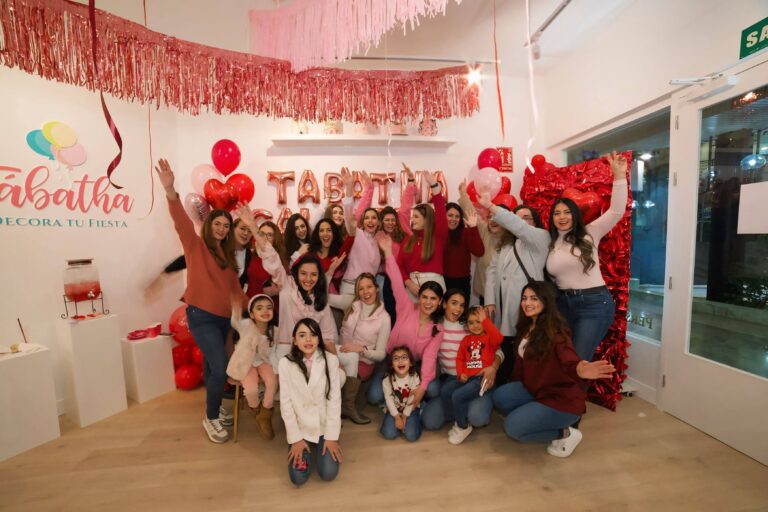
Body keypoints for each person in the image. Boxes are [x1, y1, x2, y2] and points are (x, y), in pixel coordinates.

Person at [155, 158, 247, 444]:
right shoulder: (195, 246)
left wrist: (261, 303)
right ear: (209, 225)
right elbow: (181, 222)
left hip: (221, 321)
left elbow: (237, 295)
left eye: (225, 225)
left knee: (211, 368)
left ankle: (215, 407)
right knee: (220, 368)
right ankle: (210, 418)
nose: (221, 228)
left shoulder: (229, 259)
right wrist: (171, 190)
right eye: (217, 223)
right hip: (201, 317)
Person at [492, 281, 615, 457]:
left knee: (512, 427)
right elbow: (521, 367)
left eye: (534, 298)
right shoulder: (527, 327)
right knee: (501, 397)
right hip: (538, 389)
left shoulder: (556, 332)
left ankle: (566, 433)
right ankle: (535, 415)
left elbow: (568, 359)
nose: (527, 303)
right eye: (524, 298)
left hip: (561, 399)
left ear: (546, 301)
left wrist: (580, 369)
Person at [546, 151, 629, 361]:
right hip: (563, 305)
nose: (562, 217)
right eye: (557, 213)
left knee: (580, 361)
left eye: (566, 212)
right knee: (563, 359)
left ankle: (576, 395)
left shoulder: (590, 233)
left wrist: (619, 176)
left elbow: (617, 211)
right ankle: (565, 395)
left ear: (574, 215)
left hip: (593, 303)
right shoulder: (551, 242)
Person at [235, 203, 339, 364]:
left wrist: (337, 365)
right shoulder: (287, 285)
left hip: (312, 353)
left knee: (337, 375)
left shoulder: (320, 299)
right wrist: (253, 228)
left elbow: (327, 337)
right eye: (303, 274)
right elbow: (272, 257)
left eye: (313, 275)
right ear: (296, 273)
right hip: (287, 351)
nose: (308, 279)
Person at [478, 193, 549, 385]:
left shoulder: (541, 238)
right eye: (517, 218)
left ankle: (527, 387)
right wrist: (490, 299)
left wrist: (491, 206)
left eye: (526, 218)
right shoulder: (506, 244)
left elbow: (520, 228)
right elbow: (492, 270)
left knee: (529, 351)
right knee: (508, 349)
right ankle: (510, 385)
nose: (521, 222)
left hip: (530, 307)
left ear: (535, 222)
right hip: (506, 308)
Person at [368, 232, 444, 409]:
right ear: (419, 297)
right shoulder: (406, 307)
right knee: (373, 396)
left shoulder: (438, 329)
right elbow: (395, 281)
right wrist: (388, 253)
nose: (428, 302)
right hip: (391, 359)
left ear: (439, 302)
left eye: (433, 299)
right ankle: (396, 399)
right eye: (425, 297)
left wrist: (422, 388)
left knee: (431, 388)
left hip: (413, 366)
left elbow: (429, 359)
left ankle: (409, 402)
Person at [421, 289, 502, 431]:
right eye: (454, 303)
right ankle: (458, 410)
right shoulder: (435, 327)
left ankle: (467, 411)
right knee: (430, 422)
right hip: (454, 379)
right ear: (444, 304)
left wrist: (493, 367)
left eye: (462, 305)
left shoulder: (470, 325)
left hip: (479, 377)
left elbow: (498, 350)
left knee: (477, 417)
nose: (458, 309)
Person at [279, 319, 342, 485]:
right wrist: (296, 439)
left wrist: (331, 437)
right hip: (301, 428)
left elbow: (335, 401)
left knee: (328, 474)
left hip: (323, 425)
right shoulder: (285, 363)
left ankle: (322, 445)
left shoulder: (331, 360)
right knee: (297, 479)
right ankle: (305, 445)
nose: (308, 340)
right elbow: (285, 404)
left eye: (313, 335)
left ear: (319, 339)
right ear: (294, 340)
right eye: (302, 335)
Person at [338, 273, 391, 424]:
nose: (365, 292)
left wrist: (361, 349)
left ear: (377, 288)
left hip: (364, 361)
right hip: (341, 354)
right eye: (361, 289)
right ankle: (341, 405)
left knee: (343, 372)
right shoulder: (352, 304)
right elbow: (325, 298)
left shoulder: (384, 318)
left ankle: (346, 404)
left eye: (369, 287)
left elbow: (381, 354)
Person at [449, 306, 503, 444]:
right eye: (471, 322)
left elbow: (499, 339)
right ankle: (461, 419)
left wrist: (486, 321)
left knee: (457, 396)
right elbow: (460, 359)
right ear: (466, 325)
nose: (475, 326)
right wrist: (461, 373)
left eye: (478, 321)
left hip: (482, 379)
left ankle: (462, 426)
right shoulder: (466, 340)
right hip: (469, 379)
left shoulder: (489, 338)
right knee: (456, 394)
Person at [226, 294, 277, 440]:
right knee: (251, 389)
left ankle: (265, 413)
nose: (265, 311)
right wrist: (236, 306)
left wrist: (277, 368)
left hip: (263, 361)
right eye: (259, 308)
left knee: (272, 382)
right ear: (252, 314)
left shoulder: (274, 330)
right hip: (245, 363)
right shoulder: (247, 325)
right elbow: (235, 321)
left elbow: (274, 351)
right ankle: (256, 410)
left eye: (269, 308)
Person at [330, 169, 380, 311]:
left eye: (374, 218)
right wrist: (349, 188)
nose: (370, 221)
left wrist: (370, 188)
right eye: (367, 218)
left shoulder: (379, 240)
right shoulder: (356, 234)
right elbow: (349, 217)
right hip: (351, 287)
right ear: (362, 222)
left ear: (378, 222)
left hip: (369, 291)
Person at [397, 167, 449, 300]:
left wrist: (434, 186)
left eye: (416, 217)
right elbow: (400, 266)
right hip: (412, 288)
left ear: (427, 220)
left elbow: (441, 212)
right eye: (412, 217)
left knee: (434, 321)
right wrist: (409, 283)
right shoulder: (408, 240)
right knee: (413, 321)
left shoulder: (438, 236)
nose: (412, 220)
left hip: (435, 285)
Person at [443, 202, 484, 300]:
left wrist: (473, 227)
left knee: (462, 313)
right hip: (442, 280)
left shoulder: (465, 233)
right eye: (450, 215)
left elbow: (479, 252)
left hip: (462, 282)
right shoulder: (438, 233)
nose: (453, 219)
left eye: (457, 216)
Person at [381, 346, 422, 442]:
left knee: (411, 436)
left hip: (411, 409)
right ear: (391, 364)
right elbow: (389, 399)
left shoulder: (415, 377)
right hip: (395, 409)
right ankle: (397, 424)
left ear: (411, 363)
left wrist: (404, 417)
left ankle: (418, 417)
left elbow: (412, 398)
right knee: (389, 434)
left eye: (404, 357)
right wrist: (396, 417)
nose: (400, 361)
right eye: (396, 359)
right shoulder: (387, 380)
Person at [377, 205, 409, 326]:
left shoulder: (403, 236)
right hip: (388, 281)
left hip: (404, 279)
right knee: (390, 312)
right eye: (387, 220)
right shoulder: (378, 237)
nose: (390, 223)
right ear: (382, 221)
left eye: (392, 220)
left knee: (404, 312)